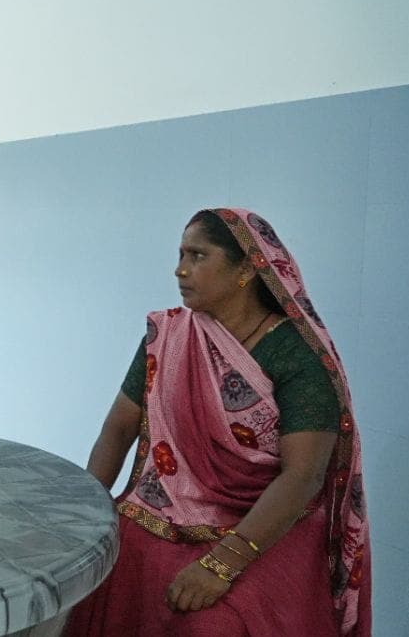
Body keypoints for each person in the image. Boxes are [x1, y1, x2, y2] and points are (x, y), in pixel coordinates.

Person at [67, 209, 370, 636]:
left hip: (264, 524)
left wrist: (222, 563)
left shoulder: (297, 357)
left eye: (198, 255)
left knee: (214, 625)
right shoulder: (170, 335)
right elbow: (119, 428)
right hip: (163, 506)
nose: (180, 269)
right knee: (92, 579)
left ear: (247, 267)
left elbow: (303, 476)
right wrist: (84, 513)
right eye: (180, 254)